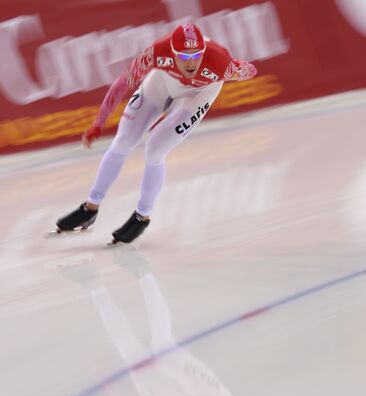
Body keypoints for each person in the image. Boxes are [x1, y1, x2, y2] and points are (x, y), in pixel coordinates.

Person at [55, 23, 257, 243]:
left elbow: (250, 70)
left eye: (196, 55)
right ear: (172, 51)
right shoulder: (157, 52)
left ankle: (142, 216)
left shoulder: (219, 63)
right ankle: (90, 207)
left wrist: (238, 68)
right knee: (123, 141)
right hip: (163, 81)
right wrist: (99, 122)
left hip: (200, 93)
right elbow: (122, 83)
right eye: (183, 56)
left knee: (155, 148)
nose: (191, 62)